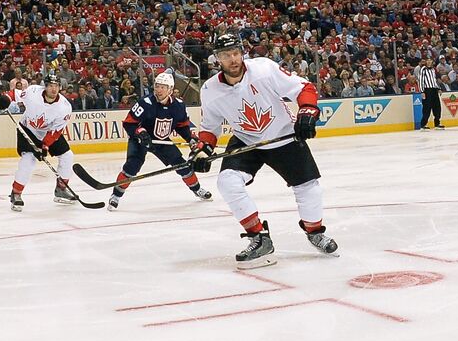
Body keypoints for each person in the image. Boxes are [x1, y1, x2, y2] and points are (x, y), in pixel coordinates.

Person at [189, 34, 338, 266]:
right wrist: (202, 150)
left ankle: (314, 231)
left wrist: (307, 110)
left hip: (283, 135)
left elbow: (304, 88)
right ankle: (259, 237)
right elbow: (209, 127)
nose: (233, 59)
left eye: (236, 53)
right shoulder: (210, 90)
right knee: (227, 181)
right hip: (246, 140)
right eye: (226, 55)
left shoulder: (264, 69)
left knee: (309, 187)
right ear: (217, 59)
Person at [107, 72, 213, 211]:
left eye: (163, 87)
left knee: (182, 166)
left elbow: (182, 126)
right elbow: (129, 123)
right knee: (132, 167)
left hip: (161, 140)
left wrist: (191, 139)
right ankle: (115, 196)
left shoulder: (179, 105)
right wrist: (140, 132)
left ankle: (197, 189)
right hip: (140, 140)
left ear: (170, 89)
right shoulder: (145, 103)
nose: (159, 90)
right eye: (157, 86)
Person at [0, 73, 77, 211]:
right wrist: (6, 98)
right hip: (27, 129)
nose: (53, 89)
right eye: (50, 85)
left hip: (48, 132)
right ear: (45, 86)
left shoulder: (64, 107)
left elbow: (56, 132)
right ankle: (16, 193)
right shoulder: (33, 92)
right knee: (29, 159)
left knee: (67, 156)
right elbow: (15, 94)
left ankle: (61, 189)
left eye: (56, 86)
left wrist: (45, 146)